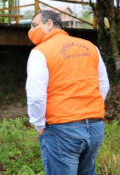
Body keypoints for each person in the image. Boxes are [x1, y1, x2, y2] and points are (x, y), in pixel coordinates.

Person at [26, 10, 109, 175]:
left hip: (62, 129)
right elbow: (103, 86)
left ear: (49, 24)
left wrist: (39, 124)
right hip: (95, 128)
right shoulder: (91, 47)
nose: (31, 30)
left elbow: (36, 95)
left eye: (34, 25)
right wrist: (92, 112)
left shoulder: (40, 52)